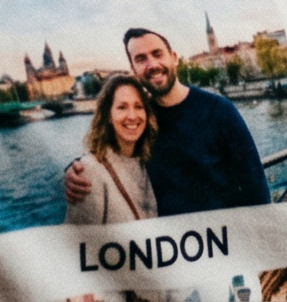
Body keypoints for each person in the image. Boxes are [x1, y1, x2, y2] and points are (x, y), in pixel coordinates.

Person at [63, 29, 271, 217]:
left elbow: (256, 188)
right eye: (141, 59)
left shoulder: (219, 110)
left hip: (222, 245)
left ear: (174, 58)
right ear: (134, 69)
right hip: (171, 251)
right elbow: (110, 153)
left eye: (157, 54)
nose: (152, 65)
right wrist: (75, 169)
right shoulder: (140, 120)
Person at [64, 76, 160, 226]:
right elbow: (76, 245)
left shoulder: (146, 162)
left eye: (139, 107)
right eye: (122, 107)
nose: (132, 116)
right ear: (108, 115)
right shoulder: (89, 172)